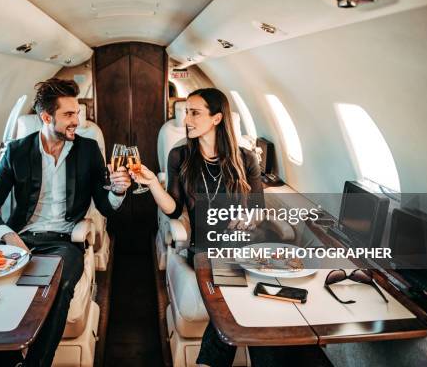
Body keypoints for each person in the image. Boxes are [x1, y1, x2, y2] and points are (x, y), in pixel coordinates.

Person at [129, 88, 331, 367]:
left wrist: (251, 219)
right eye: (186, 112)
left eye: (194, 112)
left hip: (248, 243)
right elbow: (174, 209)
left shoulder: (246, 158)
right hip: (208, 246)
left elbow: (258, 209)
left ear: (216, 118)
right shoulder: (179, 156)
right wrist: (152, 183)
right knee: (249, 299)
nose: (186, 119)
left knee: (259, 301)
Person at [0, 78, 131, 366]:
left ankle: (36, 363)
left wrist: (118, 191)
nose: (77, 121)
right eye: (68, 115)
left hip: (62, 242)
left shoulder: (88, 150)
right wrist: (7, 235)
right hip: (18, 238)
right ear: (46, 117)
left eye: (77, 113)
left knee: (57, 287)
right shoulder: (17, 152)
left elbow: (105, 207)